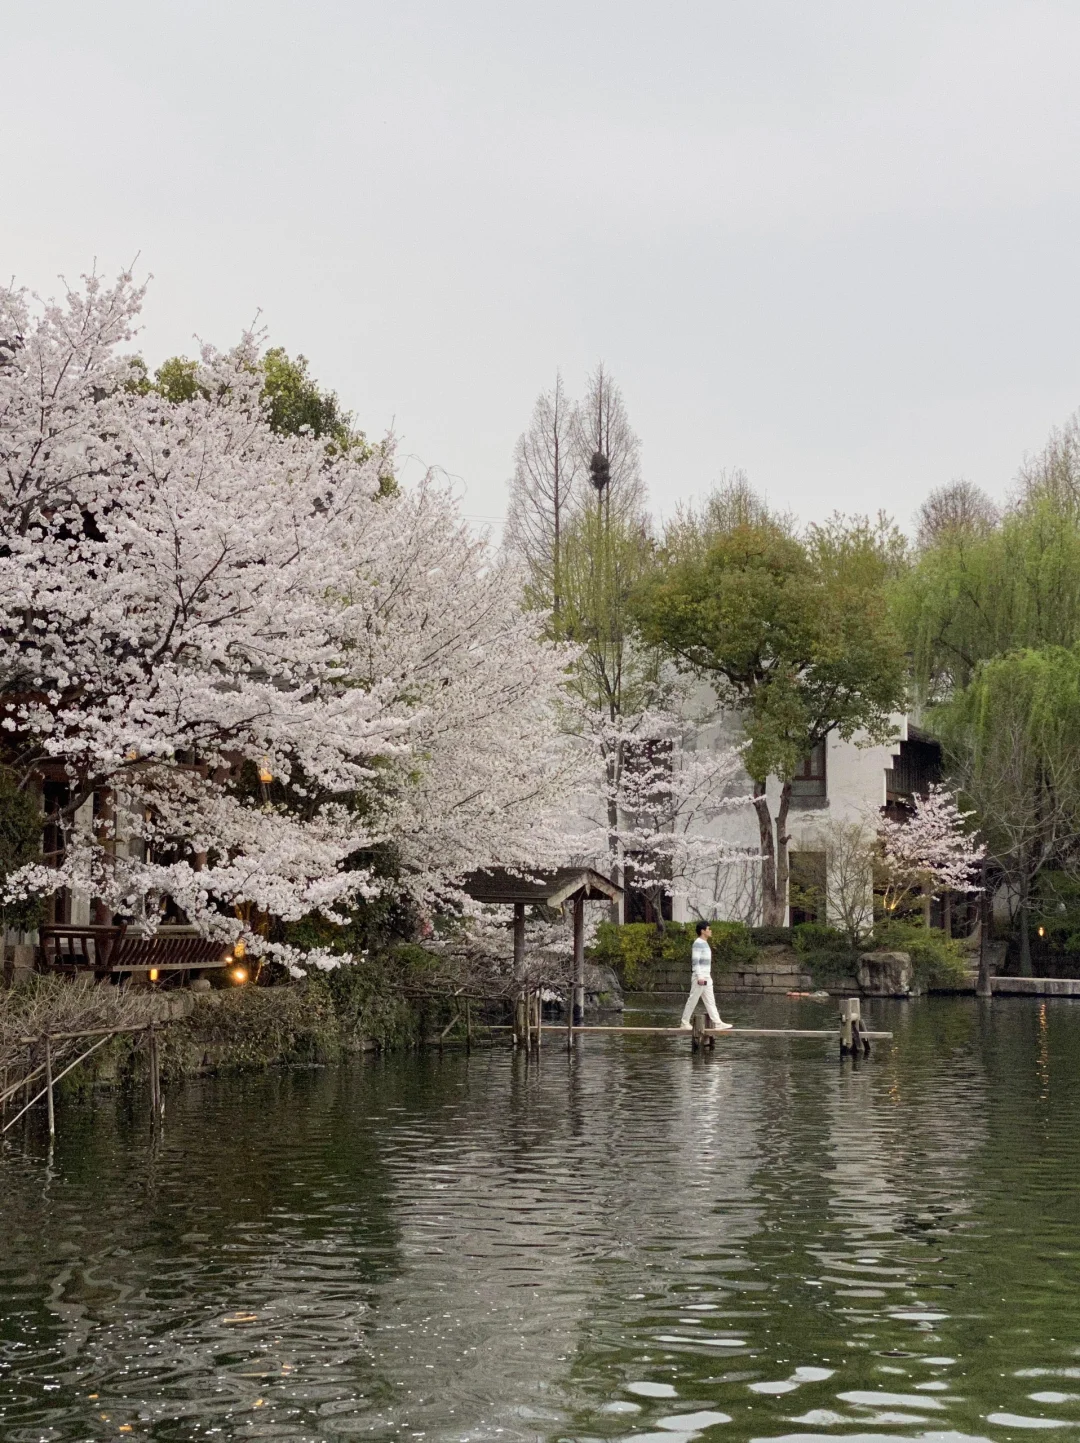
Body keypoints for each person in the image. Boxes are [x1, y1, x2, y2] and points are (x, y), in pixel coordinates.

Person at [679, 920, 733, 1031]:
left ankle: (717, 1023)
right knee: (693, 1000)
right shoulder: (698, 943)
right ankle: (684, 1022)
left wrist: (706, 976)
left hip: (707, 977)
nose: (710, 931)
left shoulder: (705, 943)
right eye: (708, 929)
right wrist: (699, 976)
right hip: (700, 977)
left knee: (710, 1001)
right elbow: (696, 961)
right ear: (703, 931)